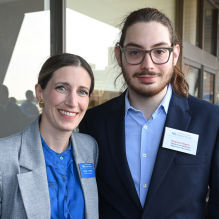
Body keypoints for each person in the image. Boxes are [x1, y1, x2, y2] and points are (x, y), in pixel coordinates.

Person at [79, 8, 219, 219]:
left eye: (159, 51)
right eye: (135, 52)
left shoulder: (210, 119)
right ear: (119, 55)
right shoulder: (93, 122)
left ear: (175, 55)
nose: (148, 65)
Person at [0, 53, 99, 219]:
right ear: (39, 93)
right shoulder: (4, 155)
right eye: (62, 88)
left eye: (82, 91)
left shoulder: (89, 148)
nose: (72, 102)